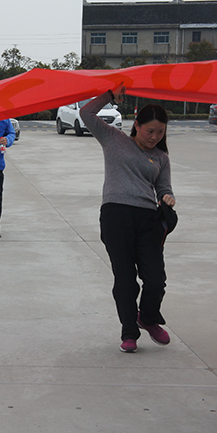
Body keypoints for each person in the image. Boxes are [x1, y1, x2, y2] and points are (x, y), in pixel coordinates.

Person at [79, 85, 176, 353]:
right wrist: (110, 96)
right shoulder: (114, 139)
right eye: (150, 131)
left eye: (160, 132)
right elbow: (86, 112)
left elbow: (164, 188)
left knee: (155, 279)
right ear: (137, 126)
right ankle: (129, 331)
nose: (155, 137)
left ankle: (148, 316)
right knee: (125, 279)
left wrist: (168, 198)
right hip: (116, 216)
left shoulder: (161, 158)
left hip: (148, 221)